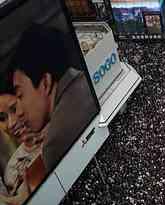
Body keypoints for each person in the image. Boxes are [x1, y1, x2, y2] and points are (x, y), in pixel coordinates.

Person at [9, 24, 98, 173]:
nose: (19, 112)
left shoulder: (54, 144)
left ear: (45, 82)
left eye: (20, 95)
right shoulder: (89, 79)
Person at [0, 74, 44, 205]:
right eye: (2, 118)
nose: (11, 123)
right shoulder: (10, 169)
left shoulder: (56, 134)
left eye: (14, 109)